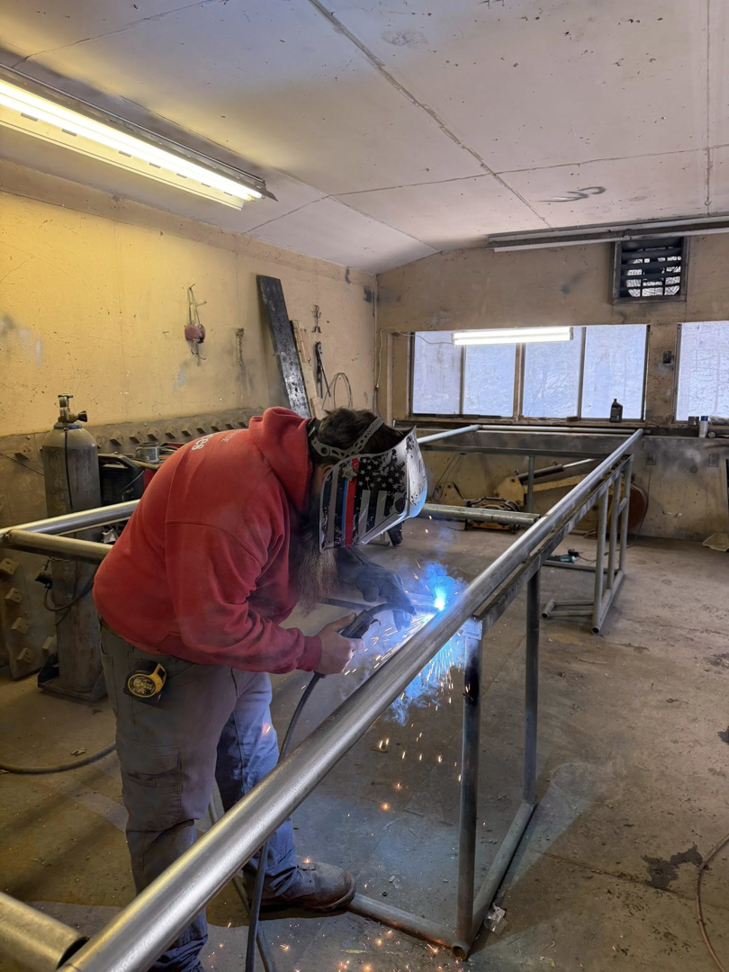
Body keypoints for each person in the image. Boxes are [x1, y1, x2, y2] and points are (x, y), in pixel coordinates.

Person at [93, 406, 426, 972]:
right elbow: (211, 626)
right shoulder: (238, 495)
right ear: (342, 475)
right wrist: (308, 651)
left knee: (252, 755)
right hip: (165, 643)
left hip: (233, 618)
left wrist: (361, 570)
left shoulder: (301, 466)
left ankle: (272, 878)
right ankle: (170, 956)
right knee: (172, 803)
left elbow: (305, 529)